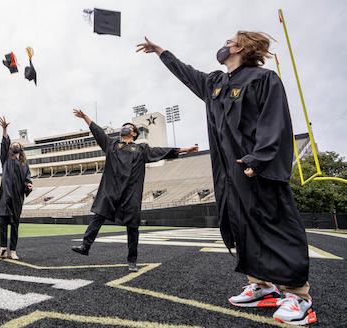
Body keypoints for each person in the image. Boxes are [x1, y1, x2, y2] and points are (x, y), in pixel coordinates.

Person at [137, 31, 315, 325]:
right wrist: (160, 51)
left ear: (241, 47)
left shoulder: (263, 79)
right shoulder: (216, 83)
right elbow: (187, 74)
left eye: (230, 40)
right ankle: (261, 285)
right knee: (241, 225)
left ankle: (298, 296)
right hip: (228, 170)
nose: (224, 44)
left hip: (256, 166)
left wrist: (259, 159)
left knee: (276, 224)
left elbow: (276, 121)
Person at [70, 109, 198, 271]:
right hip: (111, 190)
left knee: (132, 227)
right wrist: (85, 117)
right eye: (123, 126)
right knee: (98, 216)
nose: (124, 128)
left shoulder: (141, 149)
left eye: (128, 127)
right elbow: (98, 132)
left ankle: (132, 261)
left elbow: (160, 152)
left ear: (134, 133)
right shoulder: (112, 145)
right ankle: (85, 246)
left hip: (130, 193)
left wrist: (184, 150)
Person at [0, 116, 33, 260]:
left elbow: (27, 179)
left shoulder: (24, 165)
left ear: (21, 148)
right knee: (2, 223)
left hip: (16, 199)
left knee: (14, 225)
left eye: (17, 143)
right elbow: (4, 144)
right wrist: (4, 129)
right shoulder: (6, 159)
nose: (14, 144)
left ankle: (13, 251)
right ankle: (2, 250)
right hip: (4, 197)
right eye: (12, 143)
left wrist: (29, 185)